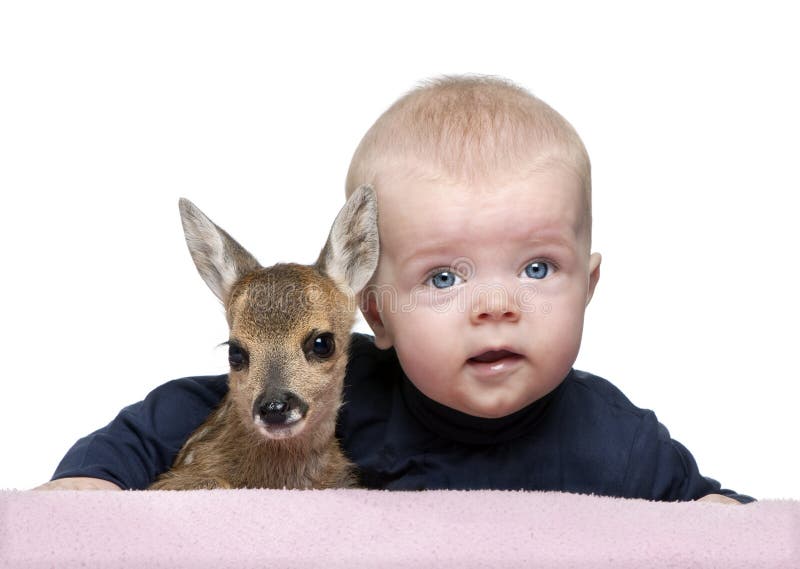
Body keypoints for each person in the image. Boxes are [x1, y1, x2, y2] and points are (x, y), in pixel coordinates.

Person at [36, 75, 753, 504]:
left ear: (589, 286)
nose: (496, 304)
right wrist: (93, 481)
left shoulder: (618, 440)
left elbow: (718, 522)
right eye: (444, 277)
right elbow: (184, 412)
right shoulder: (358, 395)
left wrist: (722, 512)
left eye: (536, 268)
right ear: (376, 313)